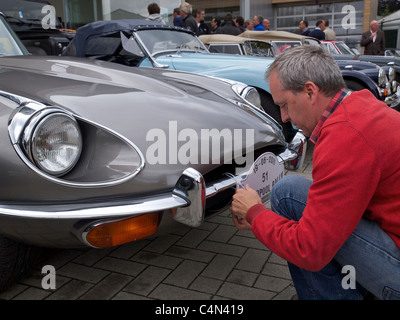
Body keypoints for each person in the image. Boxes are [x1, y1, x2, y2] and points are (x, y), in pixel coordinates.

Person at [230, 45, 400, 300]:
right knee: (288, 191)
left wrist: (255, 213)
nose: (284, 117)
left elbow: (309, 249)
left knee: (292, 209)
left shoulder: (345, 136)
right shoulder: (361, 105)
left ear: (310, 91)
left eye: (285, 104)